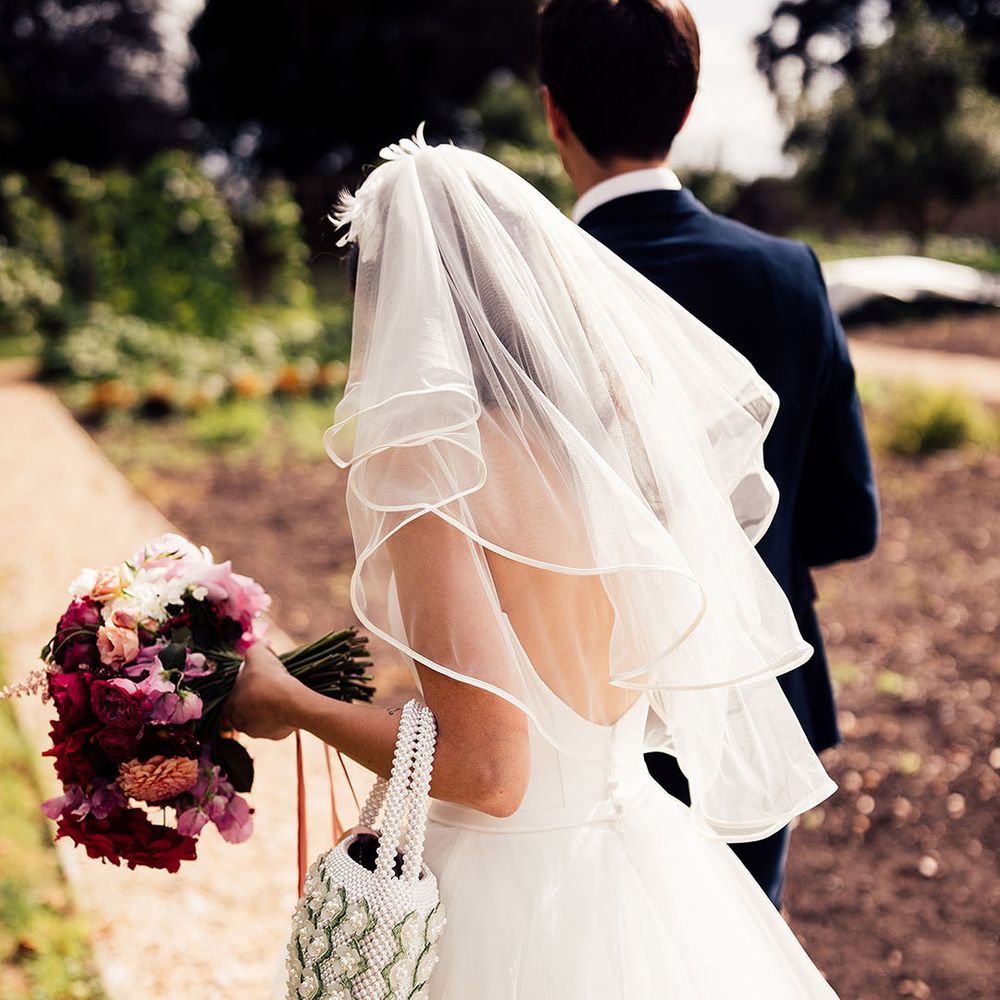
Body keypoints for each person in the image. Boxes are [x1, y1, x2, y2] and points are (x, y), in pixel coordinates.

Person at [229, 128, 843, 998]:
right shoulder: (609, 443)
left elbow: (490, 769)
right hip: (646, 856)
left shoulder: (433, 462)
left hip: (508, 891)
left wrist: (290, 701)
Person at [538, 0, 880, 907]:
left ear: (551, 112)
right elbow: (850, 519)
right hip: (750, 705)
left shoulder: (524, 295)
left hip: (581, 717)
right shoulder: (788, 275)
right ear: (686, 107)